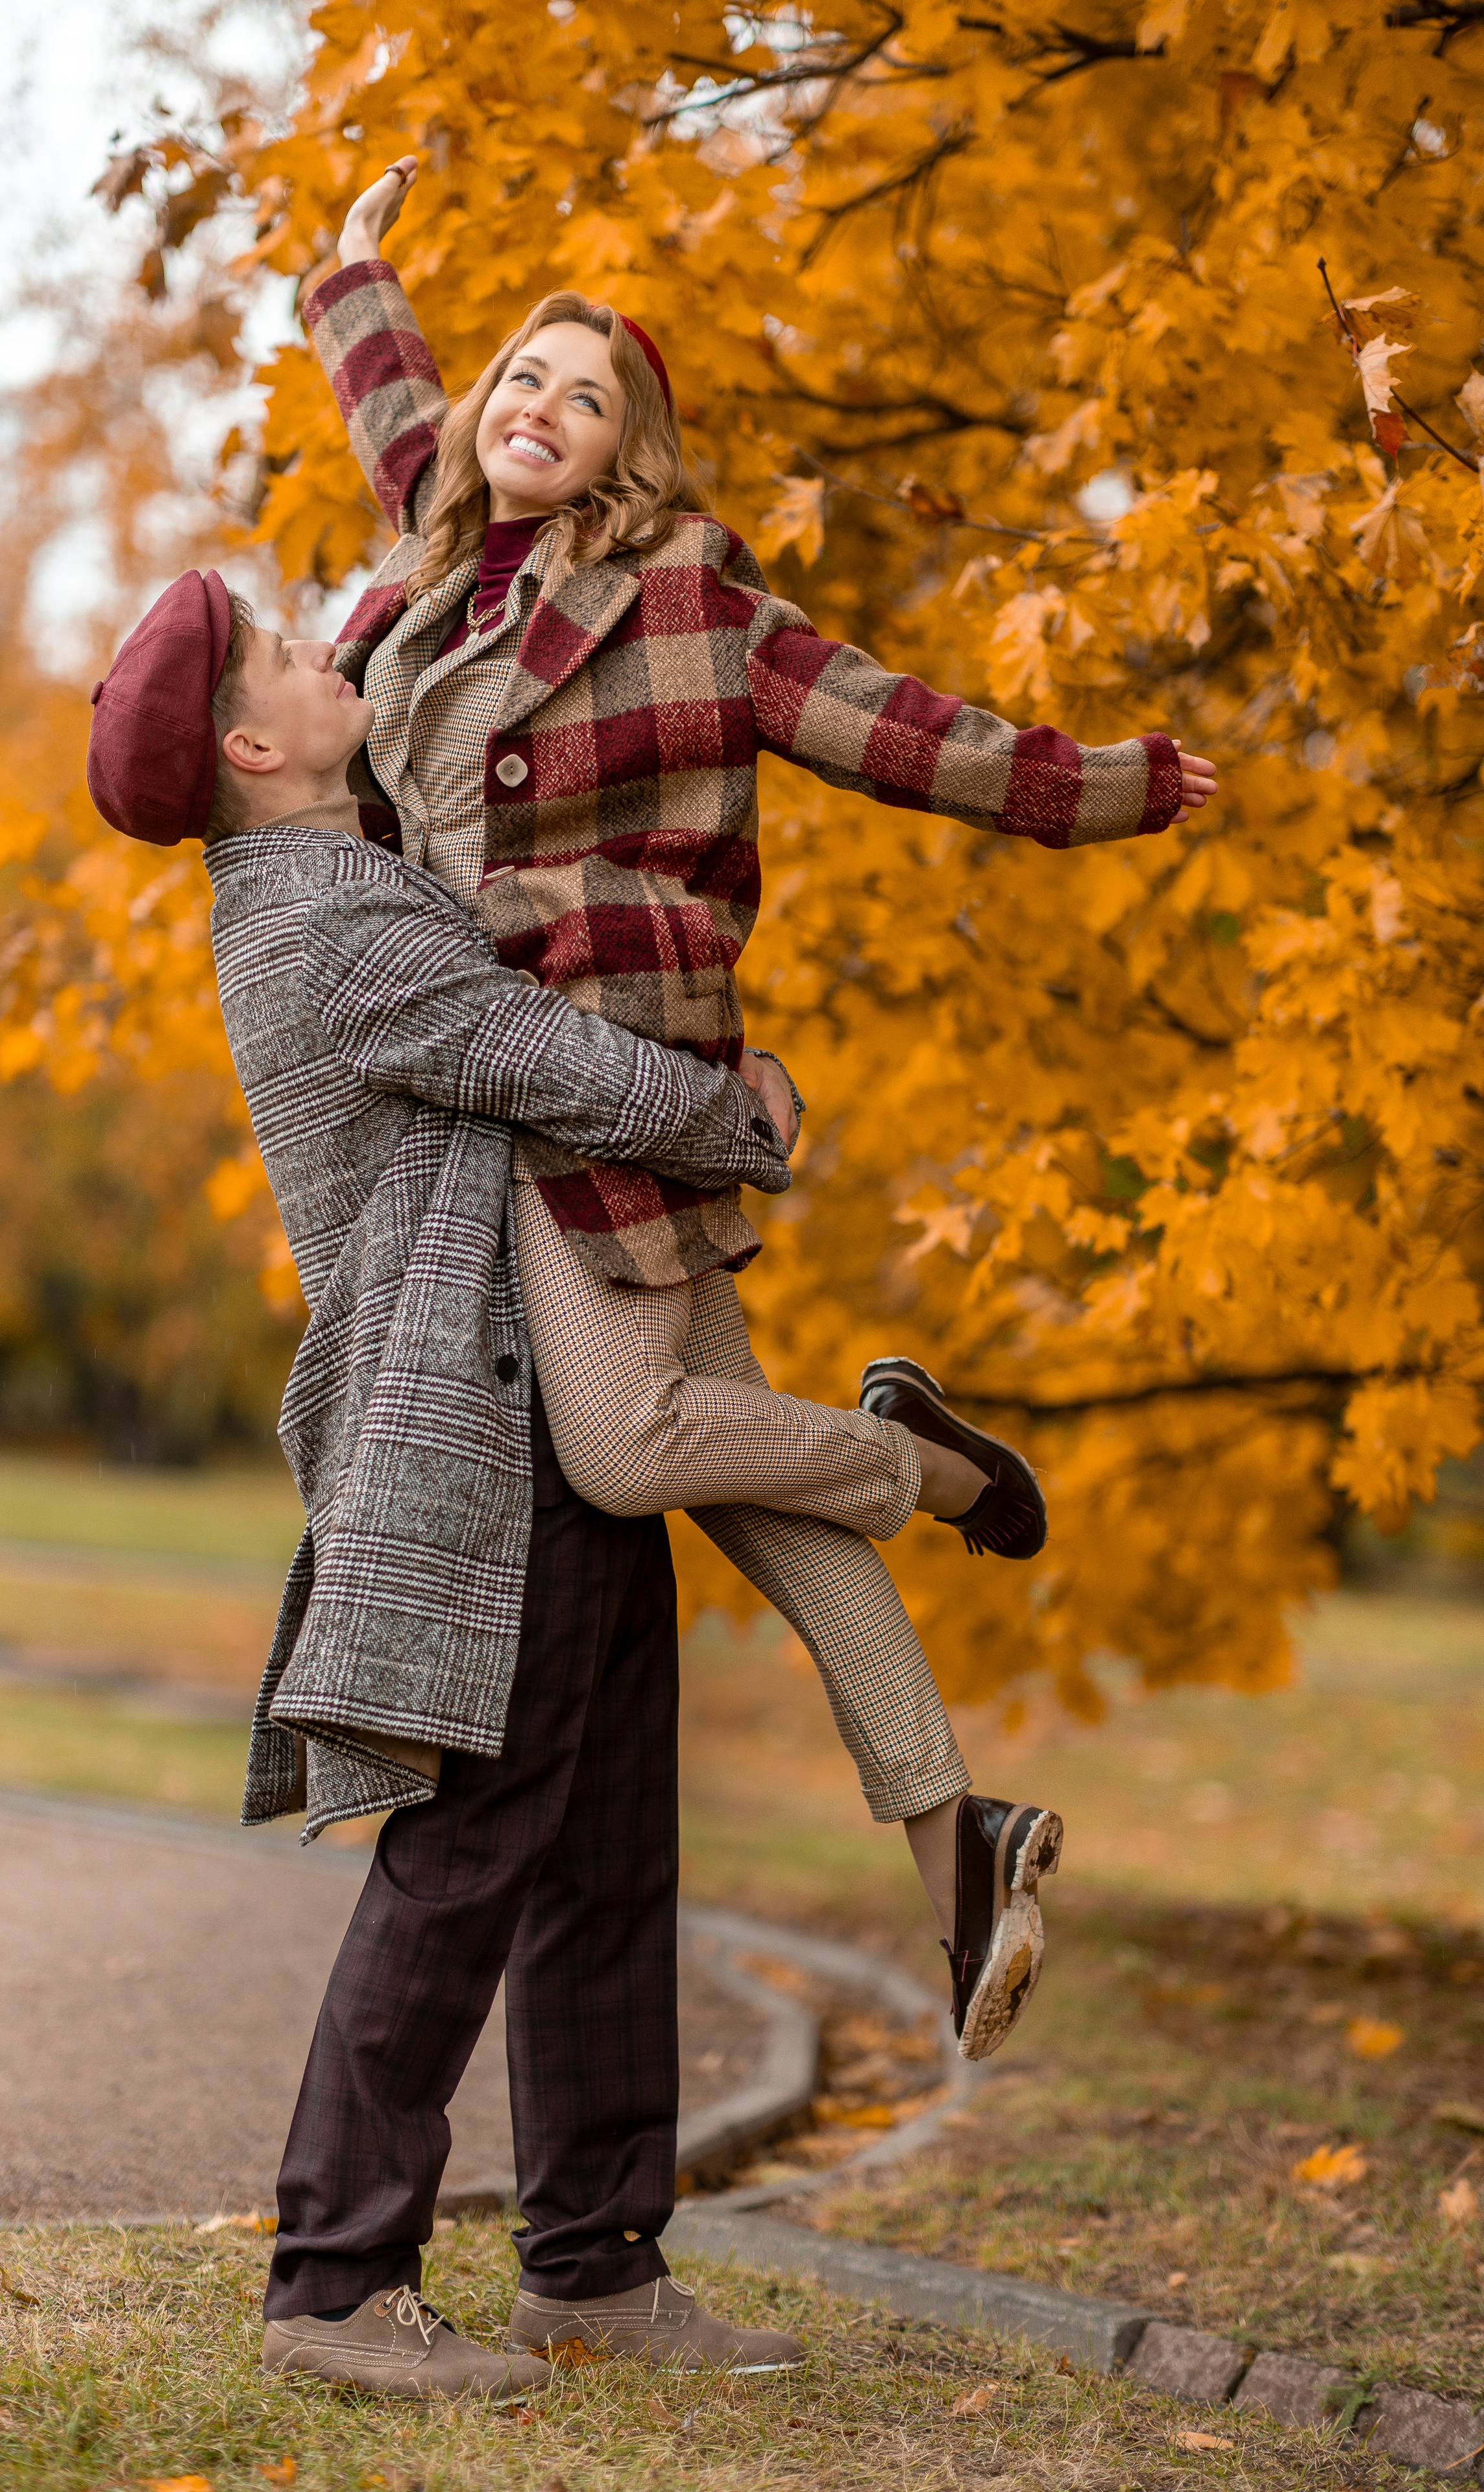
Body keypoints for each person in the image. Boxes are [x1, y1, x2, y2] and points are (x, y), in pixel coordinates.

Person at [297, 155, 1219, 2056]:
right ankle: (958, 1841)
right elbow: (386, 384)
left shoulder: (693, 607)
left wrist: (1103, 785)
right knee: (750, 1498)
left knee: (637, 1451)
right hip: (483, 1090)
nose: (535, 408)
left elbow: (908, 730)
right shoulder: (421, 554)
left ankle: (935, 1466)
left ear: (631, 453)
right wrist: (355, 259)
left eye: (586, 395)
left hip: (611, 1079)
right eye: (520, 381)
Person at [87, 567, 812, 2397]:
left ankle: (594, 2267)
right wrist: (751, 1118)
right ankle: (337, 2281)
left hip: (558, 1403)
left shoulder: (355, 862)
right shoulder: (329, 923)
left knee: (607, 1853)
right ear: (252, 745)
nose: (325, 655)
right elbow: (559, 1068)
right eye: (283, 658)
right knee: (471, 1855)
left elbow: (417, 647)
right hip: (475, 1434)